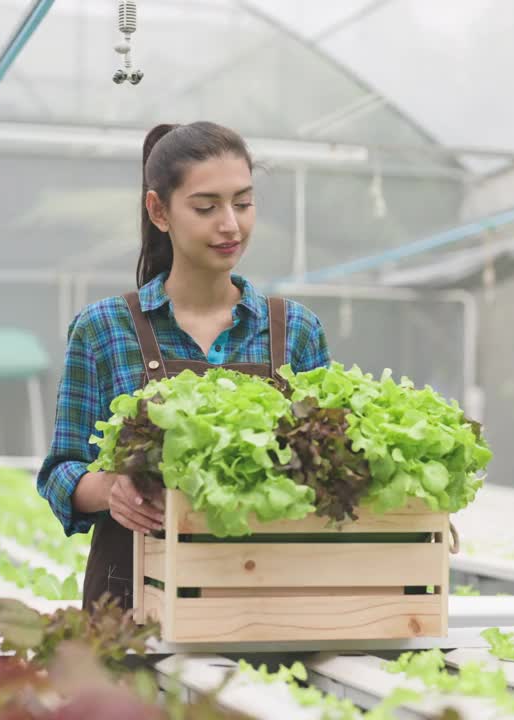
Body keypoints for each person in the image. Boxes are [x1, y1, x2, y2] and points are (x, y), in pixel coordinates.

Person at [36, 121, 332, 611]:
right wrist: (112, 489)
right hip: (132, 602)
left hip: (265, 603)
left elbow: (328, 469)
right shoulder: (105, 328)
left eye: (243, 203)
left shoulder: (295, 330)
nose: (231, 225)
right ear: (159, 211)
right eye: (206, 207)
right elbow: (61, 470)